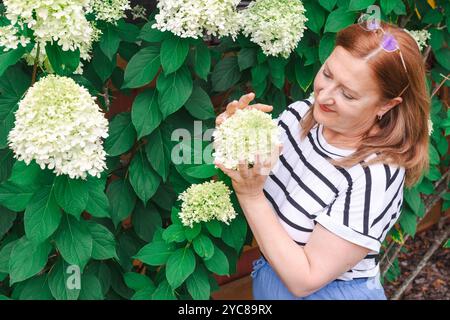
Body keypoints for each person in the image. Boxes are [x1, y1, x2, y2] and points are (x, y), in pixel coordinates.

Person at [214, 20, 430, 300]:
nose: (324, 97)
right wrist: (234, 131)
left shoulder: (374, 174)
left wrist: (251, 197)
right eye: (327, 74)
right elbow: (252, 167)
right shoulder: (301, 114)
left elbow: (305, 279)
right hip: (272, 277)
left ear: (386, 105)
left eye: (348, 94)